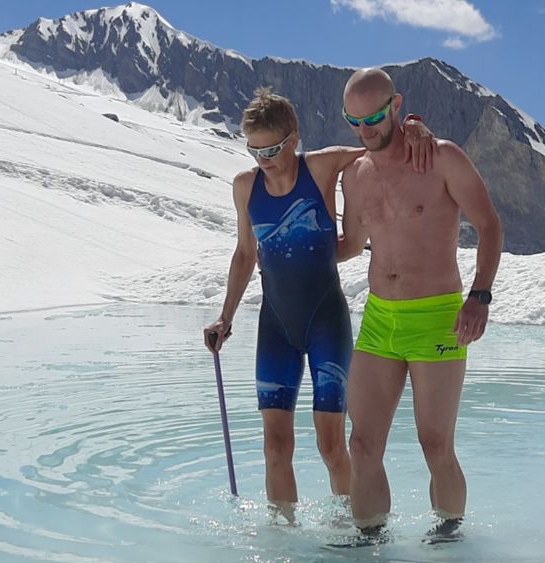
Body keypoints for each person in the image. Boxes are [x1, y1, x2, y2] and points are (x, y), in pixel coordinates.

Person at [203, 88, 433, 522]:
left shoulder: (322, 166)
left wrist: (414, 124)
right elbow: (244, 254)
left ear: (293, 138)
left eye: (271, 148)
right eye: (253, 149)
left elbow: (380, 143)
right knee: (275, 446)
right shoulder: (245, 187)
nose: (263, 159)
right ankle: (283, 535)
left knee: (330, 444)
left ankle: (348, 525)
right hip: (276, 327)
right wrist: (225, 317)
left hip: (326, 321)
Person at [337, 68, 503, 536]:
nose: (364, 130)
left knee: (435, 444)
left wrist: (480, 297)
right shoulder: (354, 174)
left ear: (396, 105)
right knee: (363, 443)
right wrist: (299, 258)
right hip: (378, 318)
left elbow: (489, 225)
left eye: (372, 117)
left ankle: (448, 535)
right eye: (353, 120)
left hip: (437, 318)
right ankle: (372, 540)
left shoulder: (441, 157)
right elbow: (351, 244)